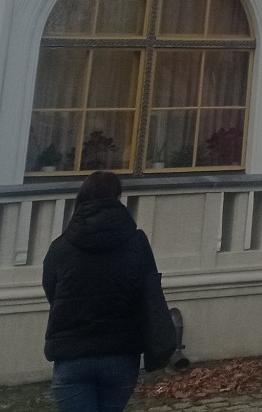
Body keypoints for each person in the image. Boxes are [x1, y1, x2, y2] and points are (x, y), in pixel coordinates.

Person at [42, 171, 174, 412]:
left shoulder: (60, 248)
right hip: (120, 354)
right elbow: (149, 295)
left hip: (71, 356)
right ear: (117, 198)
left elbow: (52, 293)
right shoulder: (137, 243)